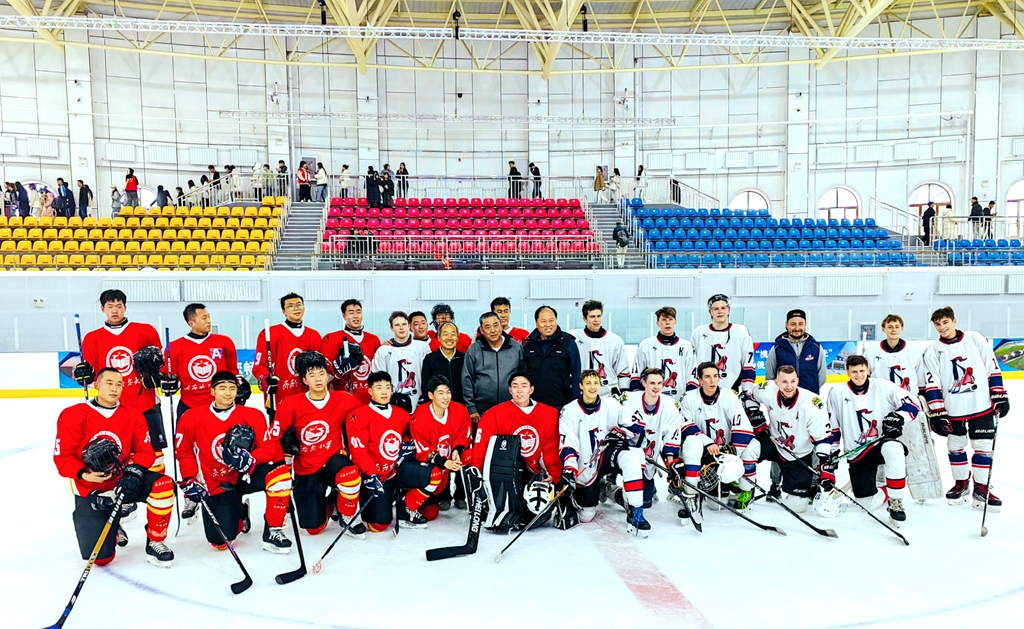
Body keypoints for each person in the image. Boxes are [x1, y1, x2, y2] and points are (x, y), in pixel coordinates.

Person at [54, 368, 176, 567]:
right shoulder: (73, 414)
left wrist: (134, 472)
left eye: (119, 384)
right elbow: (62, 457)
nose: (114, 389)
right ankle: (113, 525)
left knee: (163, 484)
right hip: (90, 487)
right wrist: (83, 474)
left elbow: (145, 451)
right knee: (101, 559)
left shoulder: (133, 415)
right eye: (109, 383)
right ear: (96, 385)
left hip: (123, 481)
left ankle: (155, 540)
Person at [175, 371, 293, 553]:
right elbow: (184, 453)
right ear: (212, 391)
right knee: (220, 542)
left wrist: (251, 459)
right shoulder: (191, 417)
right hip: (218, 481)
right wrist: (190, 478)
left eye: (232, 388)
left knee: (280, 474)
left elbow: (268, 448)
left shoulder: (253, 415)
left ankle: (273, 530)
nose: (228, 393)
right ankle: (239, 513)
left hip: (247, 474)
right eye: (222, 388)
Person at [74, 290, 169, 480]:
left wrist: (157, 376)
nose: (115, 310)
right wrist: (84, 376)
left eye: (119, 306)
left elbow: (161, 363)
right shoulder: (92, 338)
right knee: (115, 455)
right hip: (112, 410)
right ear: (102, 309)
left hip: (145, 405)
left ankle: (157, 489)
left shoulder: (146, 331)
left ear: (125, 307)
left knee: (154, 457)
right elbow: (94, 377)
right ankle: (124, 493)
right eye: (110, 306)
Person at [921, 306, 1007, 510]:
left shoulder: (974, 339)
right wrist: (937, 413)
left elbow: (992, 366)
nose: (942, 327)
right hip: (953, 409)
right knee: (955, 447)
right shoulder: (933, 349)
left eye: (945, 322)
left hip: (981, 405)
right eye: (937, 324)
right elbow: (932, 382)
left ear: (954, 321)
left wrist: (999, 395)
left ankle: (982, 487)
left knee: (983, 447)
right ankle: (961, 483)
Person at [276, 352, 364, 536]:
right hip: (306, 467)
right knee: (314, 529)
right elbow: (276, 438)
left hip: (333, 460)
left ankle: (347, 515)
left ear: (327, 375)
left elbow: (366, 417)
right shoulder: (290, 404)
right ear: (304, 380)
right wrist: (285, 468)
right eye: (312, 375)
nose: (318, 379)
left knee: (350, 475)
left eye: (322, 373)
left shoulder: (344, 399)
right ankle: (331, 502)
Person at [826, 355, 919, 525]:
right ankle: (887, 490)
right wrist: (831, 452)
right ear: (847, 372)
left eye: (862, 370)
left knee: (893, 448)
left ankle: (896, 501)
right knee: (866, 503)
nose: (859, 375)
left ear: (868, 370)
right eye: (854, 371)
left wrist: (898, 417)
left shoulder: (883, 386)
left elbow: (913, 403)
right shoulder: (837, 393)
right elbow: (833, 426)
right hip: (857, 452)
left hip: (880, 443)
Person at [346, 371, 440, 531]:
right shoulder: (358, 416)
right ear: (370, 391)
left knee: (434, 474)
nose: (384, 392)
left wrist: (408, 444)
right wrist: (370, 473)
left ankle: (406, 509)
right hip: (376, 476)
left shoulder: (401, 414)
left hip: (397, 469)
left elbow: (411, 435)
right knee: (378, 525)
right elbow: (358, 451)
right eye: (379, 388)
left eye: (387, 387)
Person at [469, 372, 562, 532]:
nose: (519, 390)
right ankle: (499, 508)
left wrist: (553, 474)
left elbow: (550, 448)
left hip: (533, 472)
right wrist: (478, 475)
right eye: (515, 386)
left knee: (538, 505)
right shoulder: (494, 414)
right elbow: (482, 445)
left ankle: (528, 513)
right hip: (504, 475)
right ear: (510, 390)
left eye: (524, 386)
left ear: (531, 389)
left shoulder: (549, 414)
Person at [559, 370, 648, 535]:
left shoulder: (612, 404)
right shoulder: (569, 411)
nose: (592, 387)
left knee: (631, 459)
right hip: (585, 463)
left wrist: (619, 433)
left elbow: (638, 423)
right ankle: (608, 489)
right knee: (586, 516)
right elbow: (568, 444)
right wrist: (570, 469)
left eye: (596, 383)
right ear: (581, 386)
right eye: (588, 383)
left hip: (607, 454)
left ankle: (636, 511)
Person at [743, 365, 833, 513]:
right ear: (776, 382)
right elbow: (747, 395)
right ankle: (747, 490)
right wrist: (753, 413)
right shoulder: (767, 389)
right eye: (784, 382)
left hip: (799, 454)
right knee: (747, 450)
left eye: (792, 381)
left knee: (797, 507)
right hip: (773, 443)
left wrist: (824, 464)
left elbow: (823, 438)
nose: (789, 386)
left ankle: (803, 488)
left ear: (798, 380)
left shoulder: (811, 404)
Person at [676, 362, 758, 514]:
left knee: (752, 447)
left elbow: (743, 429)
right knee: (716, 504)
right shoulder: (689, 398)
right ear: (700, 380)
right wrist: (707, 443)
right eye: (707, 377)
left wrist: (730, 455)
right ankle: (691, 492)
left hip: (727, 451)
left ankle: (747, 489)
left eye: (715, 376)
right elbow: (685, 426)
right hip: (704, 451)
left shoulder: (730, 397)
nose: (712, 381)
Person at [619, 368, 686, 513]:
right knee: (630, 499)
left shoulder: (670, 405)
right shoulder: (628, 400)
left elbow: (671, 435)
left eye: (659, 383)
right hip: (627, 450)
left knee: (645, 502)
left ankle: (649, 487)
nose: (656, 387)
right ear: (644, 383)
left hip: (651, 454)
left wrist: (671, 463)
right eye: (652, 383)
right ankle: (609, 486)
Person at [410, 375, 474, 519]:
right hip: (433, 464)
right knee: (430, 514)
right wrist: (443, 462)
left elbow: (465, 435)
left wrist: (457, 450)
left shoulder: (460, 410)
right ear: (430, 395)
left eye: (448, 392)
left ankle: (462, 494)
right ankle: (441, 496)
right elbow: (421, 448)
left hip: (452, 456)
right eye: (440, 393)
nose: (446, 397)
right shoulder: (419, 416)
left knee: (471, 455)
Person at [252, 293, 323, 420]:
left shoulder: (314, 335)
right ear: (284, 312)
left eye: (299, 305)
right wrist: (266, 380)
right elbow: (259, 366)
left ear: (304, 308)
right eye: (290, 306)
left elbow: (321, 367)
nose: (296, 308)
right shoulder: (270, 333)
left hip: (309, 398)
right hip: (279, 399)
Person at [167, 303, 239, 420]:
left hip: (221, 404)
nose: (209, 321)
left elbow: (233, 371)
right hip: (189, 405)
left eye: (209, 317)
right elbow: (171, 376)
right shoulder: (174, 347)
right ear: (191, 323)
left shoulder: (224, 342)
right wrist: (168, 383)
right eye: (204, 318)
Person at [462, 311, 526, 426]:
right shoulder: (474, 350)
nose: (493, 330)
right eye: (487, 327)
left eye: (496, 325)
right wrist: (471, 408)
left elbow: (524, 376)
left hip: (512, 407)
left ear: (501, 325)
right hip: (482, 410)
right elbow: (467, 379)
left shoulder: (516, 347)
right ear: (481, 330)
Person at [690, 294, 756, 393]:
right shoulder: (698, 333)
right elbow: (692, 363)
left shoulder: (741, 332)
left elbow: (748, 362)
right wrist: (693, 387)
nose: (720, 311)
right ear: (710, 312)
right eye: (716, 309)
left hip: (732, 389)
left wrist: (747, 389)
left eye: (723, 308)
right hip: (704, 389)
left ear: (728, 310)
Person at [630, 306, 696, 401]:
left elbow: (692, 374)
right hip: (652, 400)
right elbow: (636, 373)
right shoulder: (646, 345)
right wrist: (637, 397)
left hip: (680, 399)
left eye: (670, 319)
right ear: (657, 323)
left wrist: (690, 398)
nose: (667, 323)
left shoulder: (686, 346)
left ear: (675, 322)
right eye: (664, 320)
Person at [321, 299, 381, 403]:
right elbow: (322, 376)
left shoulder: (373, 339)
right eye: (351, 312)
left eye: (358, 312)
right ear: (344, 316)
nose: (356, 316)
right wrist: (338, 369)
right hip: (343, 399)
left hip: (369, 399)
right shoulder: (332, 339)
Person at [522, 305, 582, 409]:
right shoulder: (528, 345)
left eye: (551, 320)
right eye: (543, 321)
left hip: (561, 404)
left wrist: (574, 403)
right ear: (536, 323)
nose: (548, 324)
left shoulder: (568, 343)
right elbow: (523, 375)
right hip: (534, 406)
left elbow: (576, 375)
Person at [370, 311, 431, 412]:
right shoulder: (383, 351)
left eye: (404, 324)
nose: (401, 328)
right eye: (397, 325)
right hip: (393, 404)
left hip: (419, 402)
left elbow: (429, 375)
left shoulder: (423, 347)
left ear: (409, 326)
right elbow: (378, 380)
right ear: (392, 328)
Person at [569, 300, 629, 398]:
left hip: (608, 394)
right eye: (592, 316)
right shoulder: (573, 338)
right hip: (582, 394)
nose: (596, 320)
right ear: (584, 319)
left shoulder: (615, 340)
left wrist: (624, 393)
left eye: (599, 316)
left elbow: (622, 371)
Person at [765, 308, 825, 394]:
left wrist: (809, 391)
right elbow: (770, 378)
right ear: (787, 325)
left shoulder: (816, 348)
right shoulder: (777, 348)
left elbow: (822, 378)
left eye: (800, 324)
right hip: (784, 398)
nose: (797, 328)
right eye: (793, 324)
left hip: (809, 397)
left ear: (805, 324)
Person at [421, 322, 466, 405]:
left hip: (461, 407)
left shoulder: (464, 358)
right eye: (445, 334)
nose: (449, 338)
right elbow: (426, 387)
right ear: (439, 338)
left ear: (458, 338)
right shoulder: (430, 359)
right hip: (438, 407)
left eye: (453, 334)